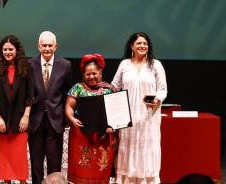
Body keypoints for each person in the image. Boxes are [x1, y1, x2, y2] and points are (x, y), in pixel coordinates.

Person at [111, 32, 167, 184]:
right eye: (139, 43)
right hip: (127, 117)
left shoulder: (155, 65)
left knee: (147, 149)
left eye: (145, 43)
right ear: (132, 46)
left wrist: (157, 98)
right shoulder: (124, 64)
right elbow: (114, 86)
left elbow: (163, 89)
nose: (142, 46)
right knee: (127, 149)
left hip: (148, 117)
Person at [65, 53, 118, 183]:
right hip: (82, 136)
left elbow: (117, 112)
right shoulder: (77, 88)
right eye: (88, 74)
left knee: (100, 169)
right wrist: (72, 119)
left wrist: (114, 126)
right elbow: (69, 107)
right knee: (82, 169)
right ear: (84, 75)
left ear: (100, 72)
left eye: (94, 73)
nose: (91, 76)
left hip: (103, 137)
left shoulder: (110, 89)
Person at [0, 35, 34, 184]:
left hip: (20, 118)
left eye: (11, 49)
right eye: (5, 49)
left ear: (17, 50)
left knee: (19, 155)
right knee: (5, 155)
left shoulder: (27, 66)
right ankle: (6, 182)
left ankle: (22, 182)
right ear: (1, 51)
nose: (8, 52)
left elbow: (30, 93)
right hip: (2, 118)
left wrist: (26, 116)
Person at [28, 31, 72, 184]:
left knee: (55, 163)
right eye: (44, 45)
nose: (47, 48)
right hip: (35, 120)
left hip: (56, 120)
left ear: (56, 46)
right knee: (36, 164)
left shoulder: (65, 65)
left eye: (50, 45)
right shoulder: (29, 65)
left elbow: (67, 92)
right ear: (38, 47)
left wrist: (65, 117)